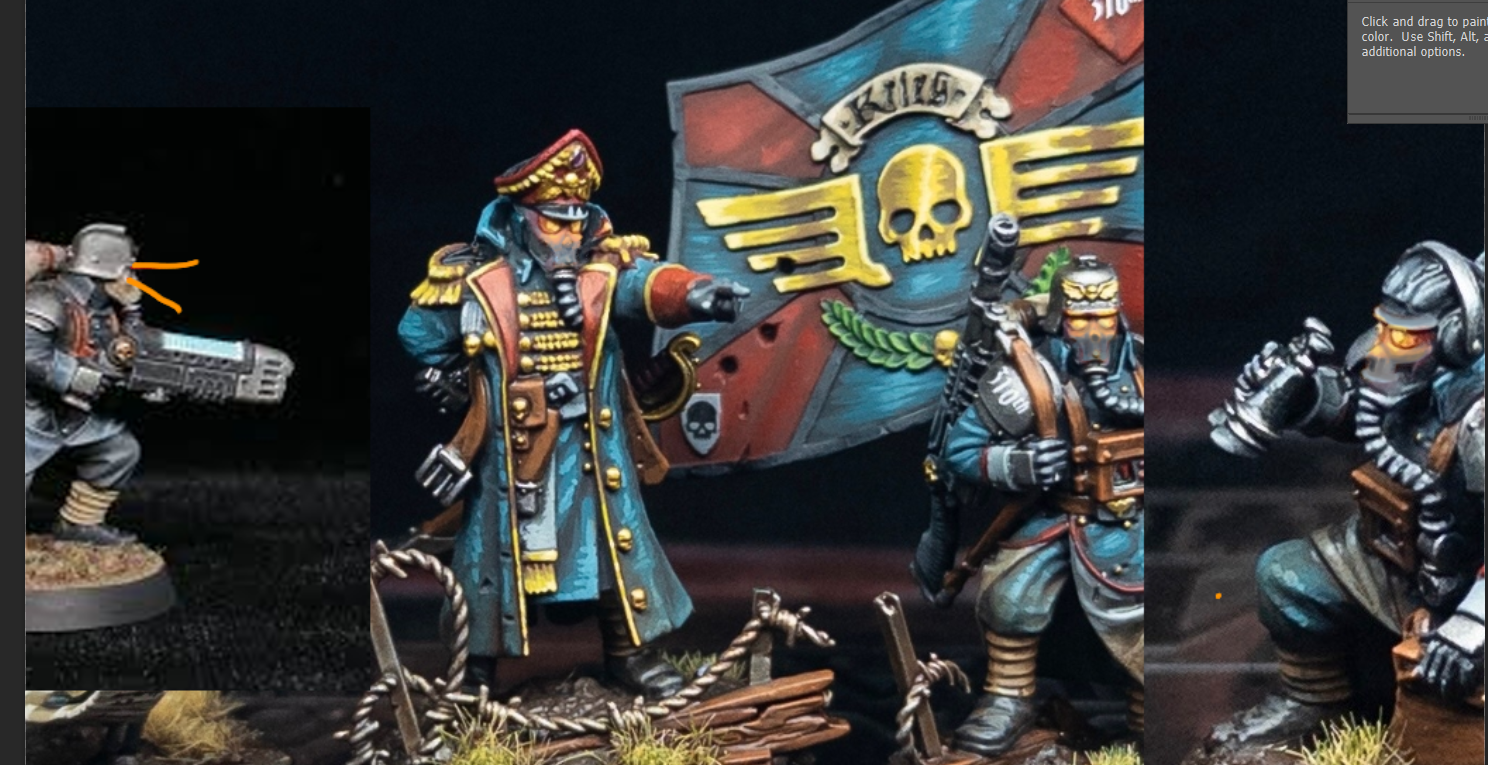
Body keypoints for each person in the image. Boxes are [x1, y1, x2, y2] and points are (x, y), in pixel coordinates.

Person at [399, 130, 749, 699]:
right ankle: (475, 671)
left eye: (575, 219)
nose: (567, 233)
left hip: (587, 447)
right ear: (522, 215)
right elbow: (418, 334)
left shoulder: (601, 271)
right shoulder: (477, 277)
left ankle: (629, 656)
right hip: (513, 452)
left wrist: (697, 295)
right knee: (492, 562)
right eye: (554, 219)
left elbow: (648, 285)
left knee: (611, 546)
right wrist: (454, 374)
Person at [1203, 243, 1485, 753]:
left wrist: (1473, 622)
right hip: (1406, 556)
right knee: (1286, 578)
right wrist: (1303, 397)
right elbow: (1365, 410)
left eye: (1406, 334)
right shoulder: (1417, 355)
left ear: (1454, 332)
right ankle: (1313, 701)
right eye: (1387, 325)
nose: (1388, 345)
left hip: (1474, 582)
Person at [933, 252, 1145, 756]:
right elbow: (959, 450)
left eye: (1102, 318)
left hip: (1130, 523)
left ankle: (1143, 714)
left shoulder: (1140, 364)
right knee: (1009, 596)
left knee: (1144, 619)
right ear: (1058, 318)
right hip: (1055, 516)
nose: (1093, 331)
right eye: (1079, 319)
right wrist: (1020, 463)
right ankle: (1007, 698)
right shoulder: (1029, 376)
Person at [25, 224, 146, 546]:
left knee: (119, 451)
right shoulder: (45, 299)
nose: (132, 277)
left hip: (70, 413)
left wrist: (133, 310)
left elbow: (127, 350)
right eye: (128, 270)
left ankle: (78, 524)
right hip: (28, 413)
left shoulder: (102, 310)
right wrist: (74, 376)